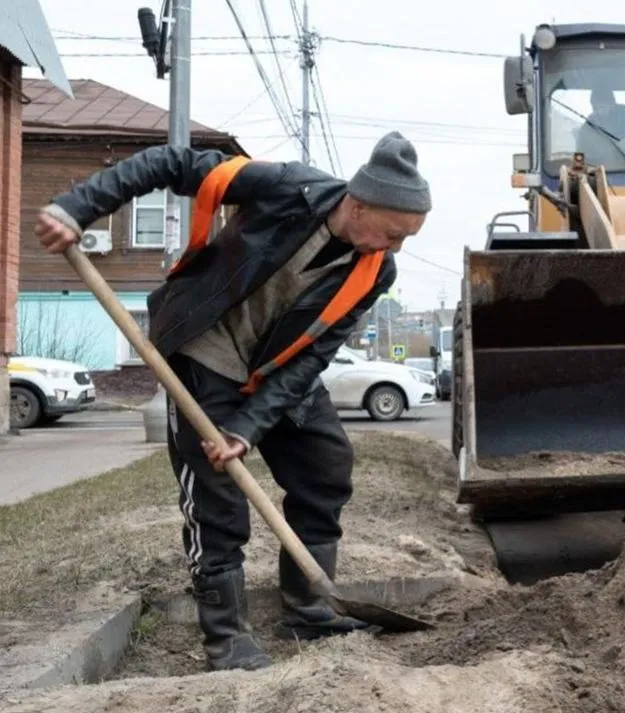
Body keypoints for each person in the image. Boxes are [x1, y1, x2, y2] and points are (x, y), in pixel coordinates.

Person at [33, 131, 431, 671]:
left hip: (275, 368)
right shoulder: (288, 188)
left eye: (407, 237)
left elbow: (313, 358)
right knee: (216, 498)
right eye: (394, 233)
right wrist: (78, 207)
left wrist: (249, 426)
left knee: (325, 466)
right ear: (357, 206)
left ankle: (311, 607)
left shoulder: (376, 269)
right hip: (205, 352)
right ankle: (226, 637)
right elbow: (170, 162)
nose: (397, 247)